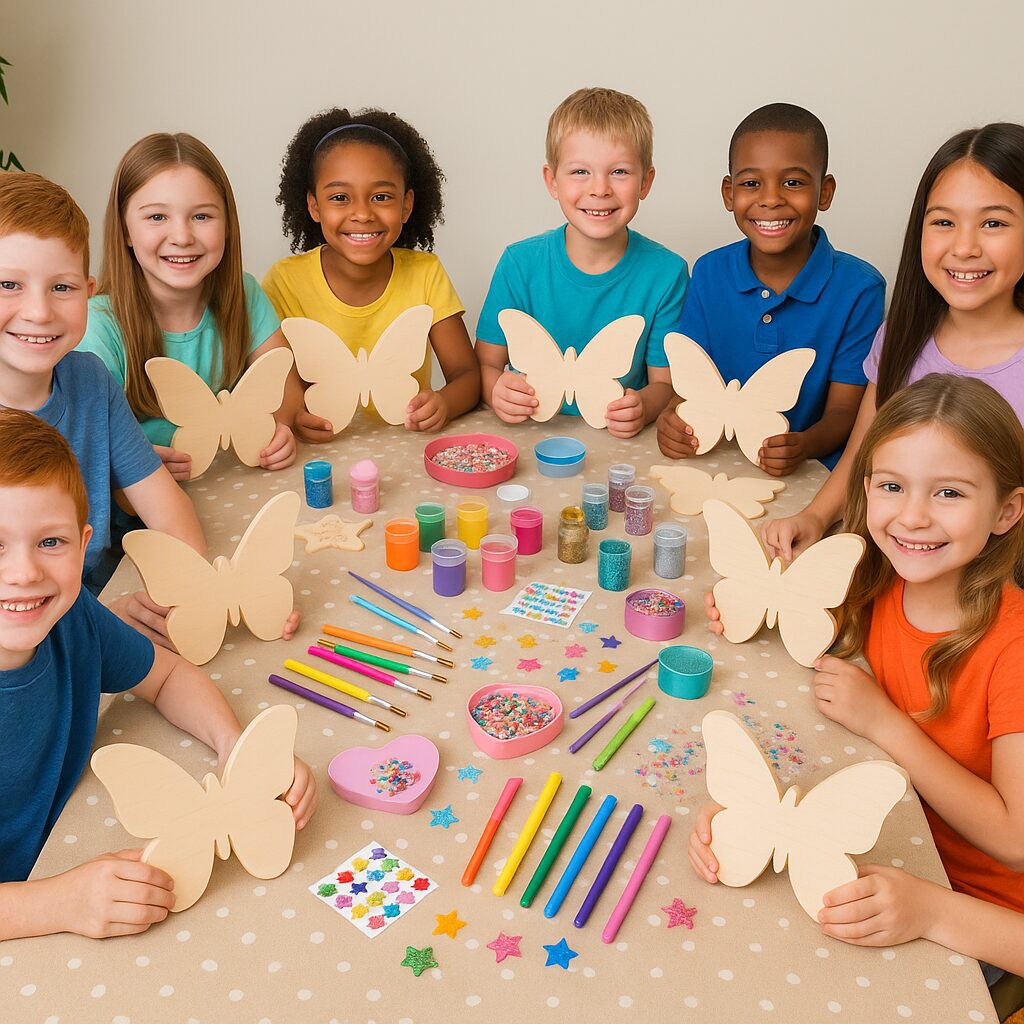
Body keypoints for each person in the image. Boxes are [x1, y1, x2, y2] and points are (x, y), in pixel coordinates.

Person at [694, 375, 1024, 998]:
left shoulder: (1014, 649)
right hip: (893, 848)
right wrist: (757, 814)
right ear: (865, 487)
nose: (914, 516)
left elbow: (1014, 843)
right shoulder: (880, 582)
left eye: (949, 492)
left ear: (1007, 510)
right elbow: (813, 641)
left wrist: (882, 724)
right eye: (892, 486)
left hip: (977, 916)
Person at [0, 409, 317, 940]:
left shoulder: (73, 617)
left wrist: (236, 749)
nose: (26, 572)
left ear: (83, 545)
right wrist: (60, 903)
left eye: (49, 542)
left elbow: (166, 676)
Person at [765, 122, 1024, 559]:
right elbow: (863, 456)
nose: (964, 247)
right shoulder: (901, 335)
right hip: (891, 569)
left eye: (993, 223)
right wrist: (812, 517)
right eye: (943, 221)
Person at [0, 172, 202, 621]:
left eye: (61, 287)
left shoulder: (90, 380)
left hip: (104, 595)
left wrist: (197, 593)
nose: (38, 312)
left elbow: (169, 511)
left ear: (89, 294)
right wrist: (103, 626)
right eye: (9, 285)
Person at [656, 102, 884, 473]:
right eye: (750, 183)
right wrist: (672, 418)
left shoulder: (860, 289)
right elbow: (689, 383)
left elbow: (845, 411)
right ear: (729, 193)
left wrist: (805, 445)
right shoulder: (710, 271)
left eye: (793, 182)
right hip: (715, 463)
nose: (771, 198)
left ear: (824, 192)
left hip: (809, 473)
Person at [80, 132, 301, 482]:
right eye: (156, 217)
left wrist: (282, 426)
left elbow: (285, 381)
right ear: (125, 230)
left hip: (234, 485)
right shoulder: (98, 325)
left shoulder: (243, 293)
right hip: (141, 507)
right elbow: (89, 440)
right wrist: (133, 463)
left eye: (201, 216)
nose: (182, 236)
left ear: (227, 225)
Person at [475, 87, 688, 438]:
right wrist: (497, 391)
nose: (600, 189)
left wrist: (643, 407)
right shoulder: (519, 263)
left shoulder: (667, 273)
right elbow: (486, 364)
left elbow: (664, 384)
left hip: (616, 443)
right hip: (528, 435)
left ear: (645, 182)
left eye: (619, 172)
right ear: (552, 181)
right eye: (579, 172)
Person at [263, 107, 480, 437]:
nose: (362, 214)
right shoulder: (284, 282)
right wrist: (297, 418)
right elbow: (279, 391)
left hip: (407, 447)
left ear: (406, 205)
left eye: (381, 196)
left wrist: (444, 403)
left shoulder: (426, 273)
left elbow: (467, 375)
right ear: (314, 206)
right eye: (340, 197)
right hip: (324, 453)